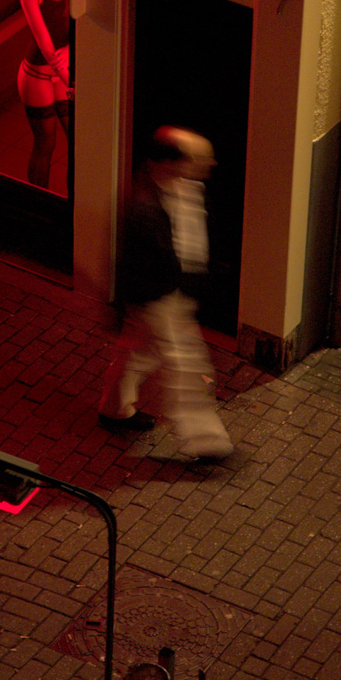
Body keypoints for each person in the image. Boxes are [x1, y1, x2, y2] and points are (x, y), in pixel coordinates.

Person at [98, 126, 234, 460]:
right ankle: (207, 442)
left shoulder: (187, 189)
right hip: (159, 298)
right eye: (199, 157)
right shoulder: (143, 208)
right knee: (185, 366)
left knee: (138, 353)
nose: (210, 163)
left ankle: (114, 410)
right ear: (171, 164)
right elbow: (128, 263)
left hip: (174, 294)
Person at [17, 0, 72, 189]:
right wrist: (73, 84)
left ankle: (74, 205)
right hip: (36, 74)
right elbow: (46, 46)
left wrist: (70, 49)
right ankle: (38, 199)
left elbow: (84, 23)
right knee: (45, 142)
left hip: (63, 71)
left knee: (76, 141)